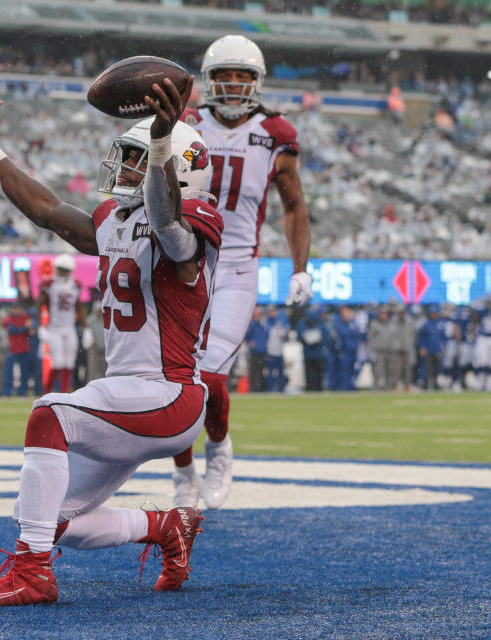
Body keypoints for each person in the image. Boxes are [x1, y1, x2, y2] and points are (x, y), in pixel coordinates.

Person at [0, 73, 221, 606]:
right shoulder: (117, 221)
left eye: (141, 159)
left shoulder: (188, 225)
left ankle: (31, 574)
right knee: (45, 517)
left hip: (170, 395)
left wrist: (164, 138)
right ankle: (166, 525)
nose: (127, 169)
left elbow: (165, 223)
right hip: (127, 394)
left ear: (176, 169)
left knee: (48, 413)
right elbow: (47, 211)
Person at [172, 34, 312, 509]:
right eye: (224, 76)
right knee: (172, 379)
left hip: (235, 266)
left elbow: (293, 205)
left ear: (257, 81)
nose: (233, 85)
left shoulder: (275, 132)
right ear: (209, 81)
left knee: (208, 378)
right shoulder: (185, 123)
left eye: (243, 76)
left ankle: (218, 446)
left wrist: (300, 269)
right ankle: (182, 470)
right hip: (183, 260)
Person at [38, 253, 83, 394]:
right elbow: (40, 304)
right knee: (57, 363)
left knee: (69, 363)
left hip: (69, 328)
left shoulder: (75, 285)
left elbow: (78, 306)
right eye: (61, 268)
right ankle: (47, 392)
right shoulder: (49, 284)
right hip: (55, 328)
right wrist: (41, 326)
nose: (63, 272)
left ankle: (64, 395)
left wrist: (85, 328)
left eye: (65, 269)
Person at [2, 301, 34, 396]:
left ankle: (22, 392)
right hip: (13, 349)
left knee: (24, 373)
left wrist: (28, 328)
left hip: (24, 349)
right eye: (15, 308)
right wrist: (25, 327)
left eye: (18, 308)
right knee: (9, 373)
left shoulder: (25, 317)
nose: (16, 310)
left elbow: (31, 331)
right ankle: (7, 393)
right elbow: (13, 330)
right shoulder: (9, 319)